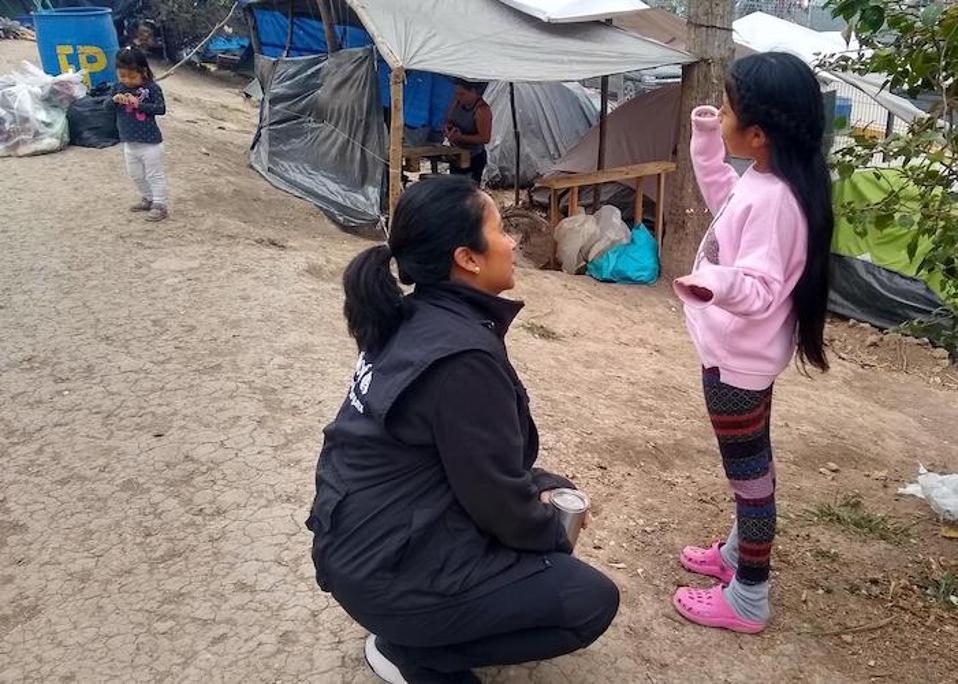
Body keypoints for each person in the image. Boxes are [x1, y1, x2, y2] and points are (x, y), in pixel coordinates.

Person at [306, 176, 619, 683]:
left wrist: (544, 483)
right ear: (467, 258)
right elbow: (498, 499)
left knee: (540, 511)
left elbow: (466, 457)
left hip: (357, 548)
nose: (514, 242)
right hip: (384, 573)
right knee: (586, 600)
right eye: (500, 230)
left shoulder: (413, 317)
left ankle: (419, 627)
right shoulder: (462, 357)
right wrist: (553, 535)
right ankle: (414, 653)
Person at [670, 52, 834, 634]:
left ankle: (749, 598)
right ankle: (740, 557)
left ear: (759, 135)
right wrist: (708, 140)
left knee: (751, 482)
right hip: (741, 359)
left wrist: (712, 283)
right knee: (754, 473)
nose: (725, 111)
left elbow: (761, 287)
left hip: (736, 367)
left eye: (731, 108)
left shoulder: (775, 200)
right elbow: (725, 204)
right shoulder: (767, 182)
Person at [109, 46, 168, 222]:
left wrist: (139, 105)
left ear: (143, 71)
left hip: (150, 143)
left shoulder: (152, 89)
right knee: (135, 174)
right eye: (123, 76)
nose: (127, 81)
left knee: (154, 174)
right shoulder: (118, 88)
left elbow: (161, 109)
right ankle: (147, 198)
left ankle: (160, 204)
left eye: (132, 76)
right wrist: (114, 101)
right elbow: (105, 108)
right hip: (129, 142)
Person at [444, 79, 492, 185]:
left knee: (468, 190)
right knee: (454, 188)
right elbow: (448, 120)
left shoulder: (482, 110)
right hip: (456, 154)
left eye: (462, 94)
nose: (458, 97)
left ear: (473, 92)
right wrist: (448, 128)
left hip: (474, 157)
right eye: (456, 94)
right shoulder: (456, 103)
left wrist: (461, 137)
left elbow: (485, 138)